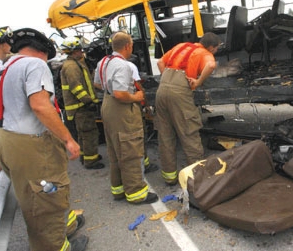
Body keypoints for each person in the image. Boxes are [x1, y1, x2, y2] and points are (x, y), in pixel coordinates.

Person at [0, 28, 88, 251]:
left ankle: (63, 232)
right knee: (45, 201)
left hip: (3, 139)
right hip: (30, 143)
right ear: (41, 51)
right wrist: (68, 139)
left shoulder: (1, 69)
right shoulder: (34, 64)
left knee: (31, 198)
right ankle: (55, 247)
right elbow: (40, 105)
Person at [94, 31, 158, 204]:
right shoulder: (123, 66)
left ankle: (119, 189)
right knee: (130, 149)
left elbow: (98, 84)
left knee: (115, 150)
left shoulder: (104, 62)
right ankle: (136, 192)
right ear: (128, 46)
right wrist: (136, 97)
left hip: (107, 106)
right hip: (121, 108)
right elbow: (121, 94)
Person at [155, 32, 222, 185]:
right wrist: (198, 82)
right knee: (189, 132)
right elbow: (211, 65)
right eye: (217, 49)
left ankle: (169, 177)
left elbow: (160, 62)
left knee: (165, 135)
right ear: (211, 48)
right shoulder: (205, 53)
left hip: (162, 89)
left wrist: (167, 80)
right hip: (180, 93)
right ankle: (197, 178)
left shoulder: (181, 46)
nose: (216, 51)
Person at [60, 36, 104, 170]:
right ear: (73, 51)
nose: (82, 52)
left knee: (82, 133)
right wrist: (88, 101)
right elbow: (76, 88)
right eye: (79, 50)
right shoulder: (71, 67)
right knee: (89, 132)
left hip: (79, 107)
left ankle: (85, 156)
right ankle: (91, 161)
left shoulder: (76, 63)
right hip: (81, 107)